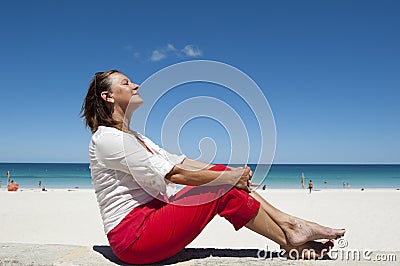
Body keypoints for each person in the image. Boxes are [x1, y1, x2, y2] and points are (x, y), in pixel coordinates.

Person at [81, 70, 345, 264]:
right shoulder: (107, 139)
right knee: (221, 187)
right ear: (108, 97)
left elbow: (180, 160)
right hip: (134, 237)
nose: (136, 84)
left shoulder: (135, 138)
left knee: (221, 178)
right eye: (126, 83)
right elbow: (175, 174)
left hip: (150, 220)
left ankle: (290, 229)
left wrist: (229, 171)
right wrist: (229, 177)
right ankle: (290, 232)